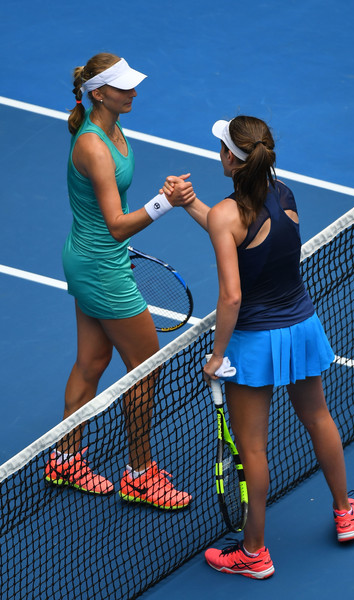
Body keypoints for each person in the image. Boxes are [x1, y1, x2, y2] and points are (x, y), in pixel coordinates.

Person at [201, 116, 354, 578]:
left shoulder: (224, 216)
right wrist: (193, 205)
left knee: (252, 450)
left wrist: (217, 356)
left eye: (221, 146)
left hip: (253, 343)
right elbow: (252, 242)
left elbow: (232, 293)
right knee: (319, 417)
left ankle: (253, 552)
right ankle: (343, 510)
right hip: (301, 328)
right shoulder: (285, 193)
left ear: (230, 158)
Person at [44, 52, 202, 510]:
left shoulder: (112, 125)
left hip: (94, 259)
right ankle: (138, 474)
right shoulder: (95, 143)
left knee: (92, 363)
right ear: (99, 93)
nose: (134, 92)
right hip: (100, 266)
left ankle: (65, 459)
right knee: (145, 369)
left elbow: (104, 220)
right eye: (124, 87)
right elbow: (115, 223)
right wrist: (164, 202)